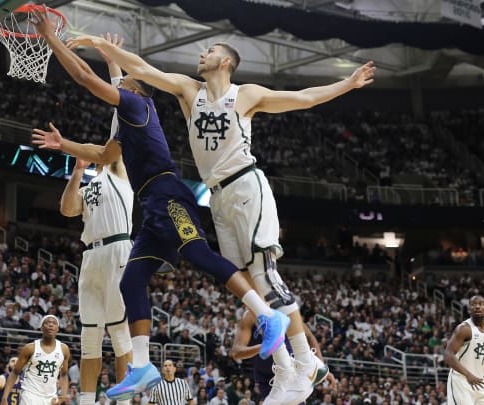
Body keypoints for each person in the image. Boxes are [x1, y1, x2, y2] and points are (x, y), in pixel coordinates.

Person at [68, 32, 376, 404]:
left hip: (246, 184)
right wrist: (107, 50)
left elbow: (304, 99)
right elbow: (142, 68)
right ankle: (287, 367)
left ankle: (307, 362)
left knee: (262, 274)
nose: (202, 53)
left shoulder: (245, 95)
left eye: (210, 50)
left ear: (226, 62)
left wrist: (349, 82)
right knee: (244, 280)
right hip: (218, 197)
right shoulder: (187, 90)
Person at [30, 9, 290, 400]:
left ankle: (268, 315)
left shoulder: (137, 107)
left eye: (124, 82)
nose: (120, 82)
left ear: (134, 92)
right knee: (131, 281)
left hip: (169, 194)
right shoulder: (129, 121)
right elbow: (102, 154)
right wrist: (63, 144)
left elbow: (86, 78)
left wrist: (51, 39)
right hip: (151, 206)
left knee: (200, 255)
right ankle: (141, 367)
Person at [58, 34, 134, 405]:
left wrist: (111, 61)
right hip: (90, 255)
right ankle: (86, 402)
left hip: (120, 249)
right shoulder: (93, 180)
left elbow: (120, 109)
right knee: (90, 338)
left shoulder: (119, 166)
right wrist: (77, 172)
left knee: (121, 337)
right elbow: (68, 211)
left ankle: (121, 402)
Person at [230, 309, 336, 404]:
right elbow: (236, 352)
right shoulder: (249, 317)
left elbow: (309, 336)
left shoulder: (285, 310)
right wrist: (264, 346)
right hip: (267, 378)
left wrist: (321, 365)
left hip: (294, 371)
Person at [0, 315, 70, 405]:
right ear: (41, 328)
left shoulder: (64, 349)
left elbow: (64, 375)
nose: (51, 325)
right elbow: (15, 372)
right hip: (30, 395)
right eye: (47, 323)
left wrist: (63, 397)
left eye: (54, 323)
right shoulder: (30, 348)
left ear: (57, 328)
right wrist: (5, 397)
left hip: (51, 397)